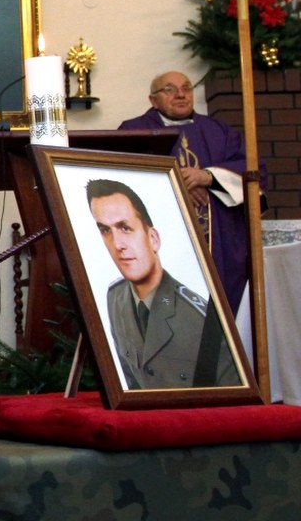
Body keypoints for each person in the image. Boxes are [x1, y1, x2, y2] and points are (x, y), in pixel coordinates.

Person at [118, 70, 265, 314]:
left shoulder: (219, 131)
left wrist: (208, 177)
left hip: (218, 243)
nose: (180, 94)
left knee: (221, 308)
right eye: (170, 89)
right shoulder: (133, 131)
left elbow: (253, 170)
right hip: (164, 240)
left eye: (186, 88)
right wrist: (177, 185)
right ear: (153, 100)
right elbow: (124, 177)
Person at [86, 179, 239, 390]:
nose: (117, 244)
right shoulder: (116, 297)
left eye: (125, 228)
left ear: (153, 239)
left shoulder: (199, 317)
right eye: (105, 230)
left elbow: (230, 398)